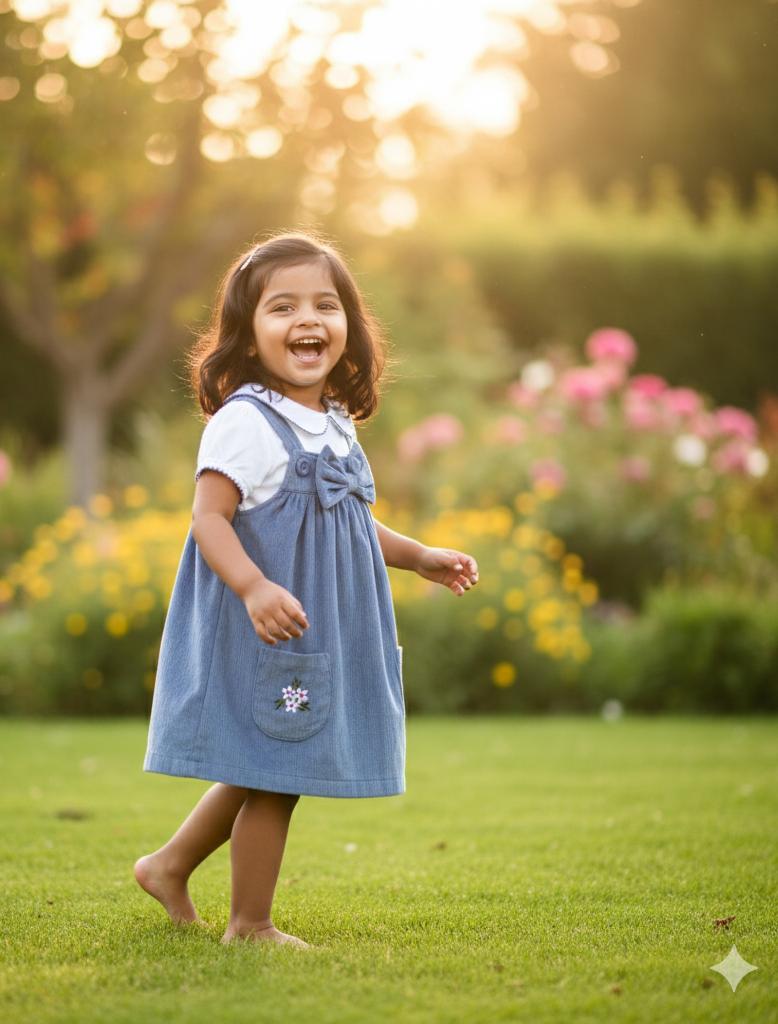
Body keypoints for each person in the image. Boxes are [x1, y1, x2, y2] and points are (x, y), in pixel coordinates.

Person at [134, 233, 479, 947]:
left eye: (325, 304)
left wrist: (414, 555)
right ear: (248, 332)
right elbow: (209, 519)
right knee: (277, 769)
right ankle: (249, 924)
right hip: (270, 627)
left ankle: (167, 866)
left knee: (264, 758)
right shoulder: (245, 423)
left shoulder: (336, 425)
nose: (307, 320)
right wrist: (255, 587)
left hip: (313, 632)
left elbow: (347, 522)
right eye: (282, 306)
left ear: (349, 325)